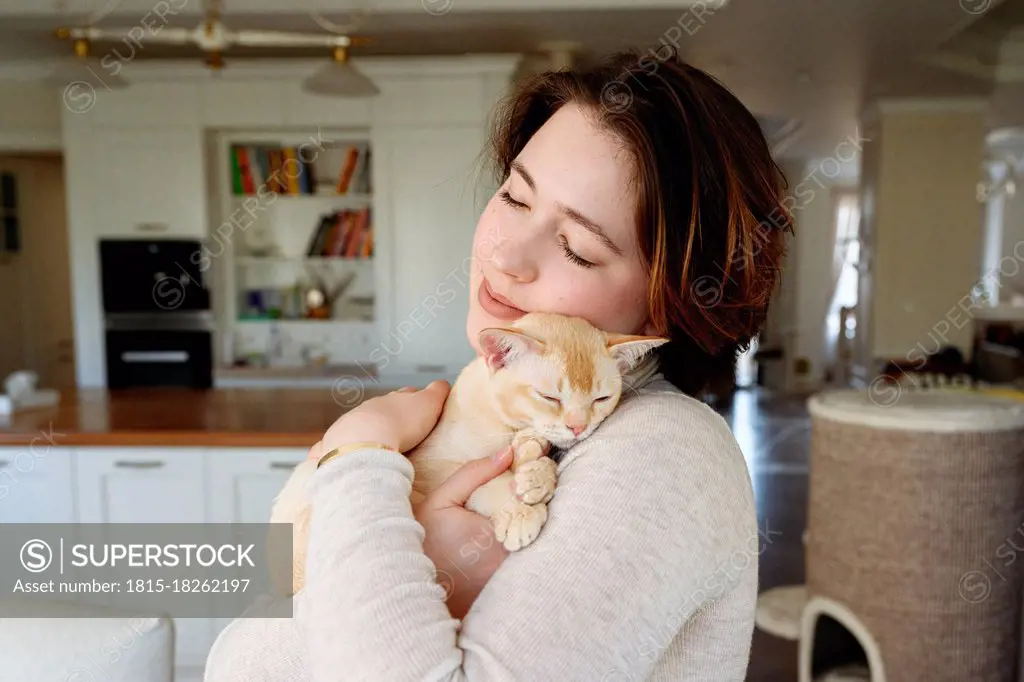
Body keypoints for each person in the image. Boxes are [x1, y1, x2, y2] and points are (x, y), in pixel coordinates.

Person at [204, 48, 792, 682]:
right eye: (514, 197)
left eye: (578, 248)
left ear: (666, 307)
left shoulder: (666, 453)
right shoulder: (515, 413)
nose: (507, 255)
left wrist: (359, 455)